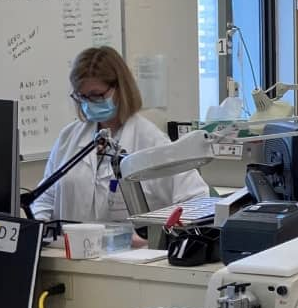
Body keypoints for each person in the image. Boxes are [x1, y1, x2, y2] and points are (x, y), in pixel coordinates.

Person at [31, 46, 208, 223]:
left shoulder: (151, 140)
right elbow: (45, 199)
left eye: (96, 95)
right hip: (70, 248)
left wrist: (153, 234)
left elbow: (196, 202)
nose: (88, 104)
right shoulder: (69, 138)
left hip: (135, 249)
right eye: (82, 97)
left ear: (120, 89)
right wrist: (40, 226)